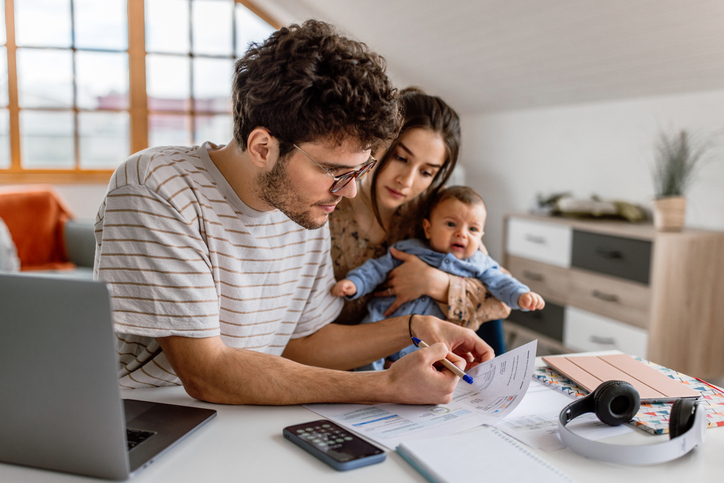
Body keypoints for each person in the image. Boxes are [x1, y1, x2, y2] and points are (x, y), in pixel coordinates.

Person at [94, 19, 493, 406]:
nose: (350, 190)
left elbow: (306, 343)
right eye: (335, 171)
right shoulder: (157, 187)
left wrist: (413, 328)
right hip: (149, 412)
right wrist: (387, 384)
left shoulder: (304, 204)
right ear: (263, 148)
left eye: (359, 170)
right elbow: (206, 373)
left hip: (249, 410)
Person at [328, 88, 511, 351]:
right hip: (338, 360)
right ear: (377, 141)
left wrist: (437, 283)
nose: (407, 181)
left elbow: (503, 300)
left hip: (414, 364)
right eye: (400, 158)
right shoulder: (329, 208)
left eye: (426, 172)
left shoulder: (436, 216)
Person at [333, 186, 545, 370]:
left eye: (473, 229)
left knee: (446, 360)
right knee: (370, 339)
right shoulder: (409, 250)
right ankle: (368, 382)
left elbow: (502, 283)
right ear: (428, 228)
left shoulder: (480, 262)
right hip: (387, 320)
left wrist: (521, 294)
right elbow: (376, 269)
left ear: (481, 236)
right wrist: (355, 283)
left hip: (434, 340)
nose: (462, 234)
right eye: (451, 224)